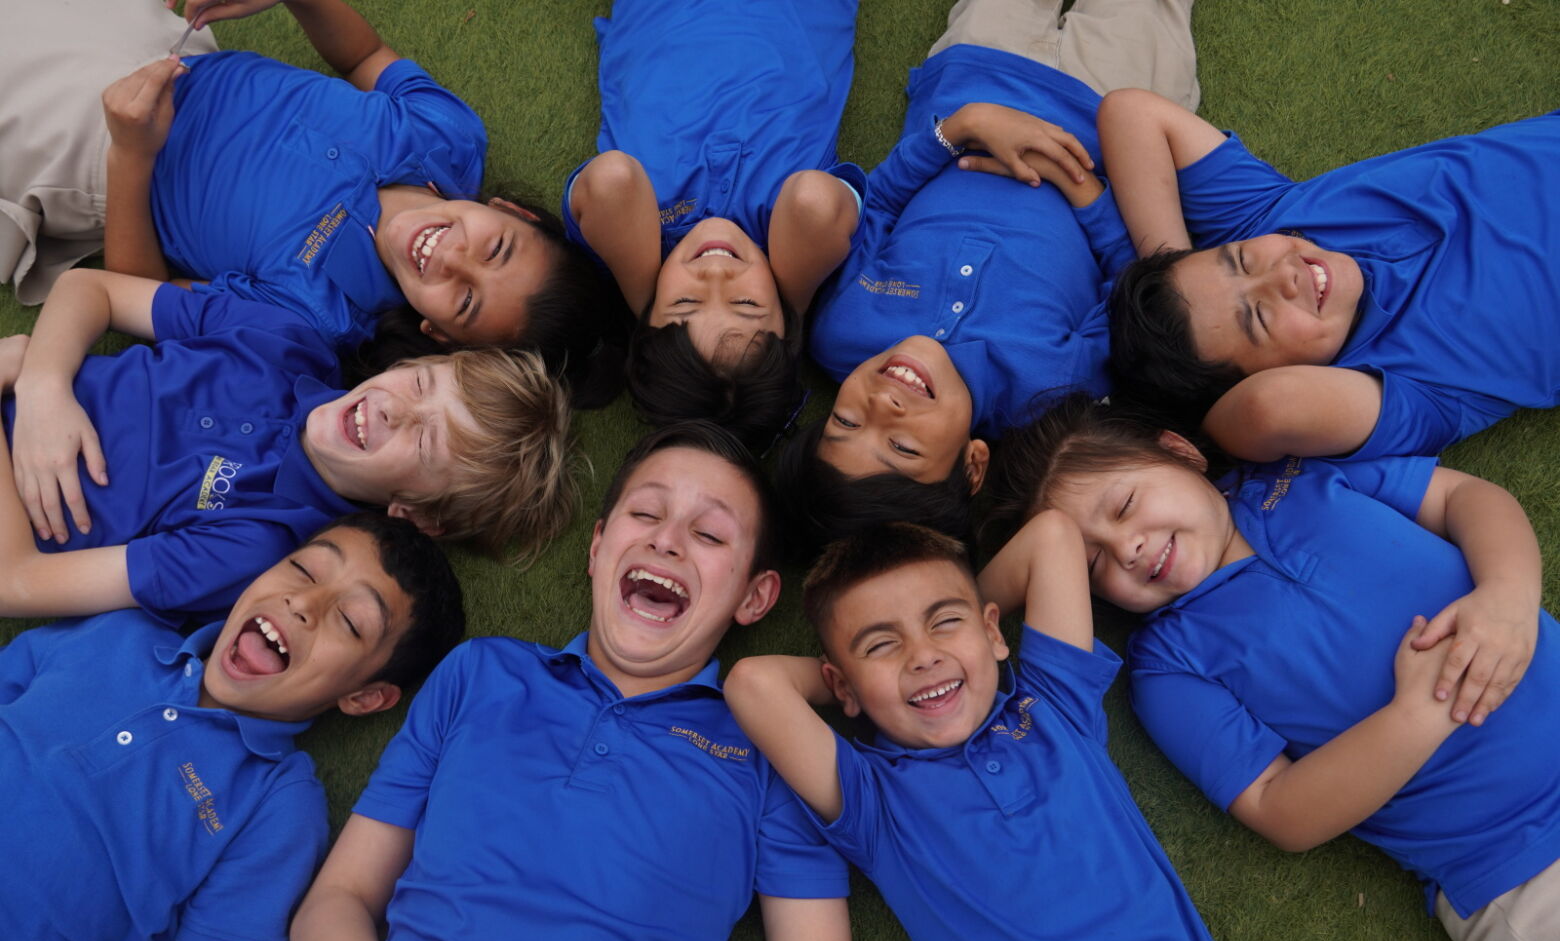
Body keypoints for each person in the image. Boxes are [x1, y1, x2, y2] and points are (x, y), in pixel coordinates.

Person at [985, 393, 1560, 941]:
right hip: (1520, 864)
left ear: (1181, 453)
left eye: (1124, 507)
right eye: (1094, 564)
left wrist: (1508, 594)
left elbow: (1466, 498)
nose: (1129, 548)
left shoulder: (1306, 479)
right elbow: (1279, 809)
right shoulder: (1169, 667)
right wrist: (1420, 713)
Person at [289, 421, 854, 941]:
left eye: (710, 534)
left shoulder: (770, 749)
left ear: (754, 597)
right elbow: (336, 900)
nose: (666, 540)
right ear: (597, 548)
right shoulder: (481, 674)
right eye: (646, 514)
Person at [724, 519, 1258, 941]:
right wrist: (858, 685)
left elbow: (1052, 536)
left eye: (944, 621)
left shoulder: (1056, 708)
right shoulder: (875, 803)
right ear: (841, 687)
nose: (924, 656)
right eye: (880, 645)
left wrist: (952, 641)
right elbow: (754, 683)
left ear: (994, 632)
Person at [0, 509, 465, 941]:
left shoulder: (279, 808)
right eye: (304, 570)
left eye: (350, 621)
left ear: (364, 697)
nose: (304, 603)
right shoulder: (115, 630)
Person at [1, 0, 612, 394]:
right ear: (511, 211)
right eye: (497, 249)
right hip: (174, 52)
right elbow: (366, 56)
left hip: (86, 148)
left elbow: (134, 292)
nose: (453, 259)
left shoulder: (316, 316)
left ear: (439, 333)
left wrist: (130, 156)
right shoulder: (448, 139)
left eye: (466, 300)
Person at [782, 0, 1200, 548]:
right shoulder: (1050, 390)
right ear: (972, 465)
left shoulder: (840, 331)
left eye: (846, 422)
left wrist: (960, 127)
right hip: (1111, 121)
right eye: (903, 446)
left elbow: (877, 206)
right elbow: (1135, 288)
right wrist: (1079, 186)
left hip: (976, 76)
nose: (881, 407)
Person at [0, 268, 571, 620]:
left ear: (415, 514)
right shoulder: (282, 339)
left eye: (425, 441)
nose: (395, 409)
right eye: (422, 385)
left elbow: (17, 583)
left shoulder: (258, 547)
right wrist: (43, 384)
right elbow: (90, 288)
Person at [1096, 88, 1560, 461]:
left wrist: (1172, 260)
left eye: (1242, 260)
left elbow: (1131, 112)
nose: (1283, 275)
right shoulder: (1409, 388)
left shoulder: (1265, 219)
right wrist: (1203, 425)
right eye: (1259, 317)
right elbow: (1269, 407)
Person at [562, 0, 867, 451]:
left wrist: (644, 298)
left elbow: (611, 181)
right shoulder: (787, 226)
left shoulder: (640, 227)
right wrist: (793, 301)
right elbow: (815, 202)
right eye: (747, 303)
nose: (716, 274)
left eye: (685, 301)